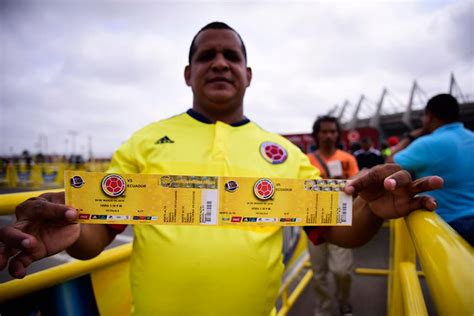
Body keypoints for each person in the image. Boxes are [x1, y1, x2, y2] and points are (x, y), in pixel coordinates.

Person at [0, 22, 443, 315]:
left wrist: (370, 210)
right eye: (206, 55)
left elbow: (339, 229)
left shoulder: (283, 153)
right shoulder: (144, 142)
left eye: (230, 56)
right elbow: (98, 233)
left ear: (248, 74)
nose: (218, 62)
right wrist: (73, 233)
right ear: (187, 72)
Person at [389, 93, 474, 245]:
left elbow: (389, 164)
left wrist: (409, 137)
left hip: (448, 225)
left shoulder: (428, 143)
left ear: (430, 115)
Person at [306, 115, 359, 316]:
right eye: (324, 131)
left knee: (341, 271)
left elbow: (356, 186)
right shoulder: (307, 160)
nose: (328, 135)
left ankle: (344, 303)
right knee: (318, 273)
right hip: (314, 222)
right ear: (316, 135)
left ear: (338, 134)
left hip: (340, 221)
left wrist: (345, 184)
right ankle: (323, 310)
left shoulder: (348, 159)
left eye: (332, 131)